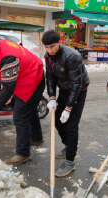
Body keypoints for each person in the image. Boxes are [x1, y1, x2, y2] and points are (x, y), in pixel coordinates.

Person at [0, 33, 45, 165]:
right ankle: (36, 137)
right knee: (29, 109)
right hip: (28, 74)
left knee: (20, 116)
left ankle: (23, 153)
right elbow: (8, 83)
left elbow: (8, 89)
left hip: (33, 79)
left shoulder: (8, 58)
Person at [42, 30, 90, 177]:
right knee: (57, 120)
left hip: (78, 90)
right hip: (64, 89)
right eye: (46, 47)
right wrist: (51, 97)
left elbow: (76, 84)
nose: (49, 50)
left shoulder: (72, 56)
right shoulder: (48, 57)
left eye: (52, 46)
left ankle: (70, 161)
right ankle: (68, 145)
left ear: (59, 43)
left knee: (71, 125)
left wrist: (68, 108)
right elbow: (50, 78)